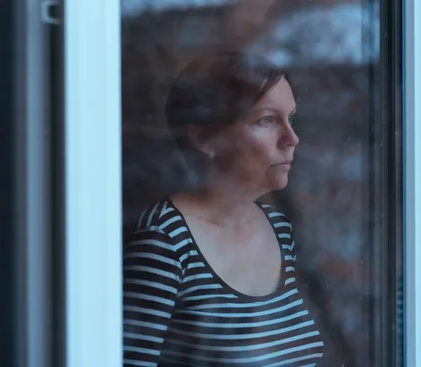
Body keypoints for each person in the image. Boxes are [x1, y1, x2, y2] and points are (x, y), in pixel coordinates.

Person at [123, 51, 324, 366]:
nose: (292, 138)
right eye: (267, 120)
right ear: (206, 138)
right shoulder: (164, 241)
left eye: (291, 118)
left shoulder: (279, 228)